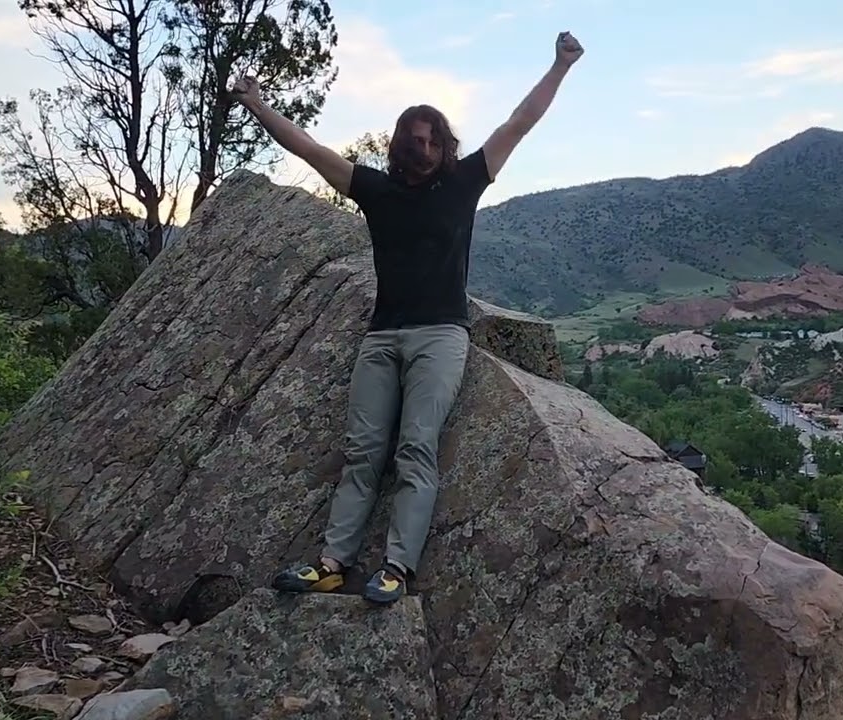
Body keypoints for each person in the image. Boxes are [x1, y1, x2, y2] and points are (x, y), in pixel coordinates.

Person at [233, 31, 585, 605]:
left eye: (428, 141)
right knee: (361, 453)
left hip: (442, 335)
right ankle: (332, 563)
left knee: (416, 449)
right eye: (410, 141)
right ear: (397, 146)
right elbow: (307, 148)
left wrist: (560, 65)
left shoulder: (465, 183)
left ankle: (397, 568)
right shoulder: (375, 189)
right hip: (381, 336)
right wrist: (255, 102)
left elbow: (520, 121)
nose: (419, 149)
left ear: (443, 146)